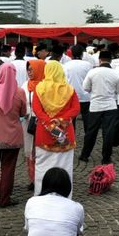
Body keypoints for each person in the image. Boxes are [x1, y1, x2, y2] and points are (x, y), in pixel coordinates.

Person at [31, 61, 80, 196]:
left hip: (44, 134)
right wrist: (61, 121)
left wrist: (51, 125)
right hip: (65, 134)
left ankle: (40, 195)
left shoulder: (39, 89)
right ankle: (65, 196)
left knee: (42, 166)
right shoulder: (69, 90)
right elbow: (76, 109)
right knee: (65, 167)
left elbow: (37, 110)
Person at [0, 62, 27, 207]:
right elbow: (23, 113)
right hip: (12, 137)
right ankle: (4, 199)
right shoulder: (20, 92)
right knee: (8, 168)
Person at [79, 50, 119, 163]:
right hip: (110, 106)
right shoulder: (115, 73)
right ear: (110, 60)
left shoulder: (92, 72)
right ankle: (106, 158)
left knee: (91, 132)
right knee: (108, 133)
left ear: (100, 60)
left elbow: (86, 88)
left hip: (95, 106)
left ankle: (85, 155)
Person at [22, 59, 46, 191]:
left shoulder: (46, 85)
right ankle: (32, 178)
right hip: (28, 122)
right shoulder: (25, 85)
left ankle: (42, 178)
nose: (30, 72)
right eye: (28, 70)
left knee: (42, 150)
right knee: (30, 151)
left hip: (42, 122)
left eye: (32, 69)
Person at [63, 45, 93, 134]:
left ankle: (72, 136)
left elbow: (64, 81)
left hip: (71, 95)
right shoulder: (88, 65)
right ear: (82, 54)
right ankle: (88, 136)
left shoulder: (66, 65)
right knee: (87, 118)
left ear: (71, 53)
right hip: (86, 96)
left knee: (71, 119)